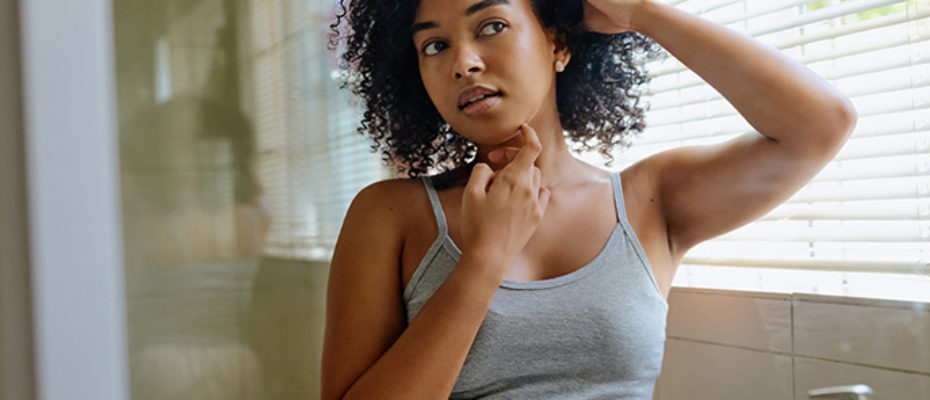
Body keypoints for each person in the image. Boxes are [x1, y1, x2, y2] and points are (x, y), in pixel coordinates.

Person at [320, 0, 857, 397]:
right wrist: (484, 260)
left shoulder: (649, 201)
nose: (464, 62)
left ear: (558, 44)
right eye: (434, 45)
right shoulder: (391, 214)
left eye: (492, 27)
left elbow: (821, 124)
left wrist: (641, 12)